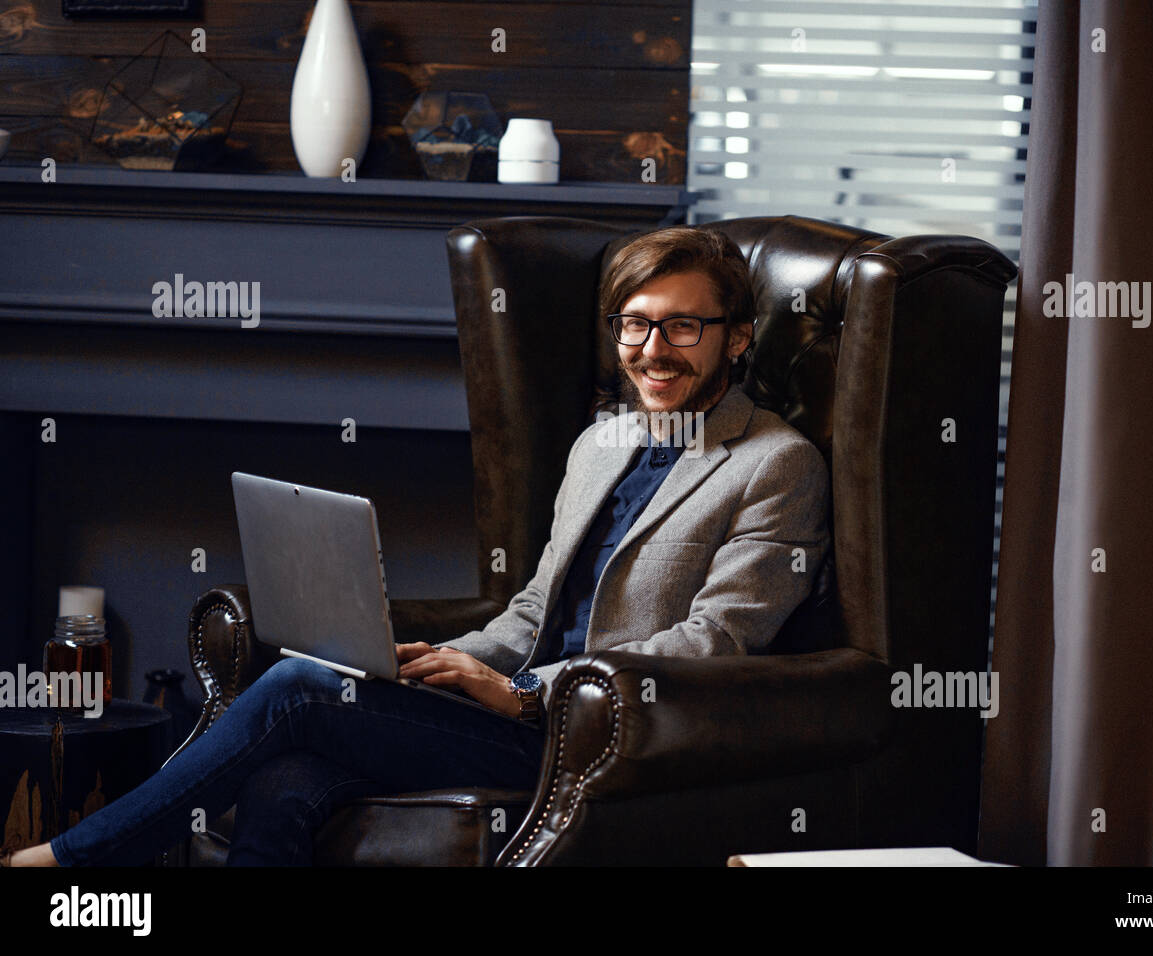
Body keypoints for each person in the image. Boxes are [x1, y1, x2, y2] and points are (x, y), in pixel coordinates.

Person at [2, 225, 829, 867]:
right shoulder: (602, 443)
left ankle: (76, 858)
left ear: (739, 336)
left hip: (593, 735)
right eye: (635, 327)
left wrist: (529, 694)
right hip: (507, 703)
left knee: (296, 688)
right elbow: (539, 604)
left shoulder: (774, 465)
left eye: (683, 328)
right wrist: (444, 662)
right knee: (285, 780)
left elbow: (713, 642)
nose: (653, 352)